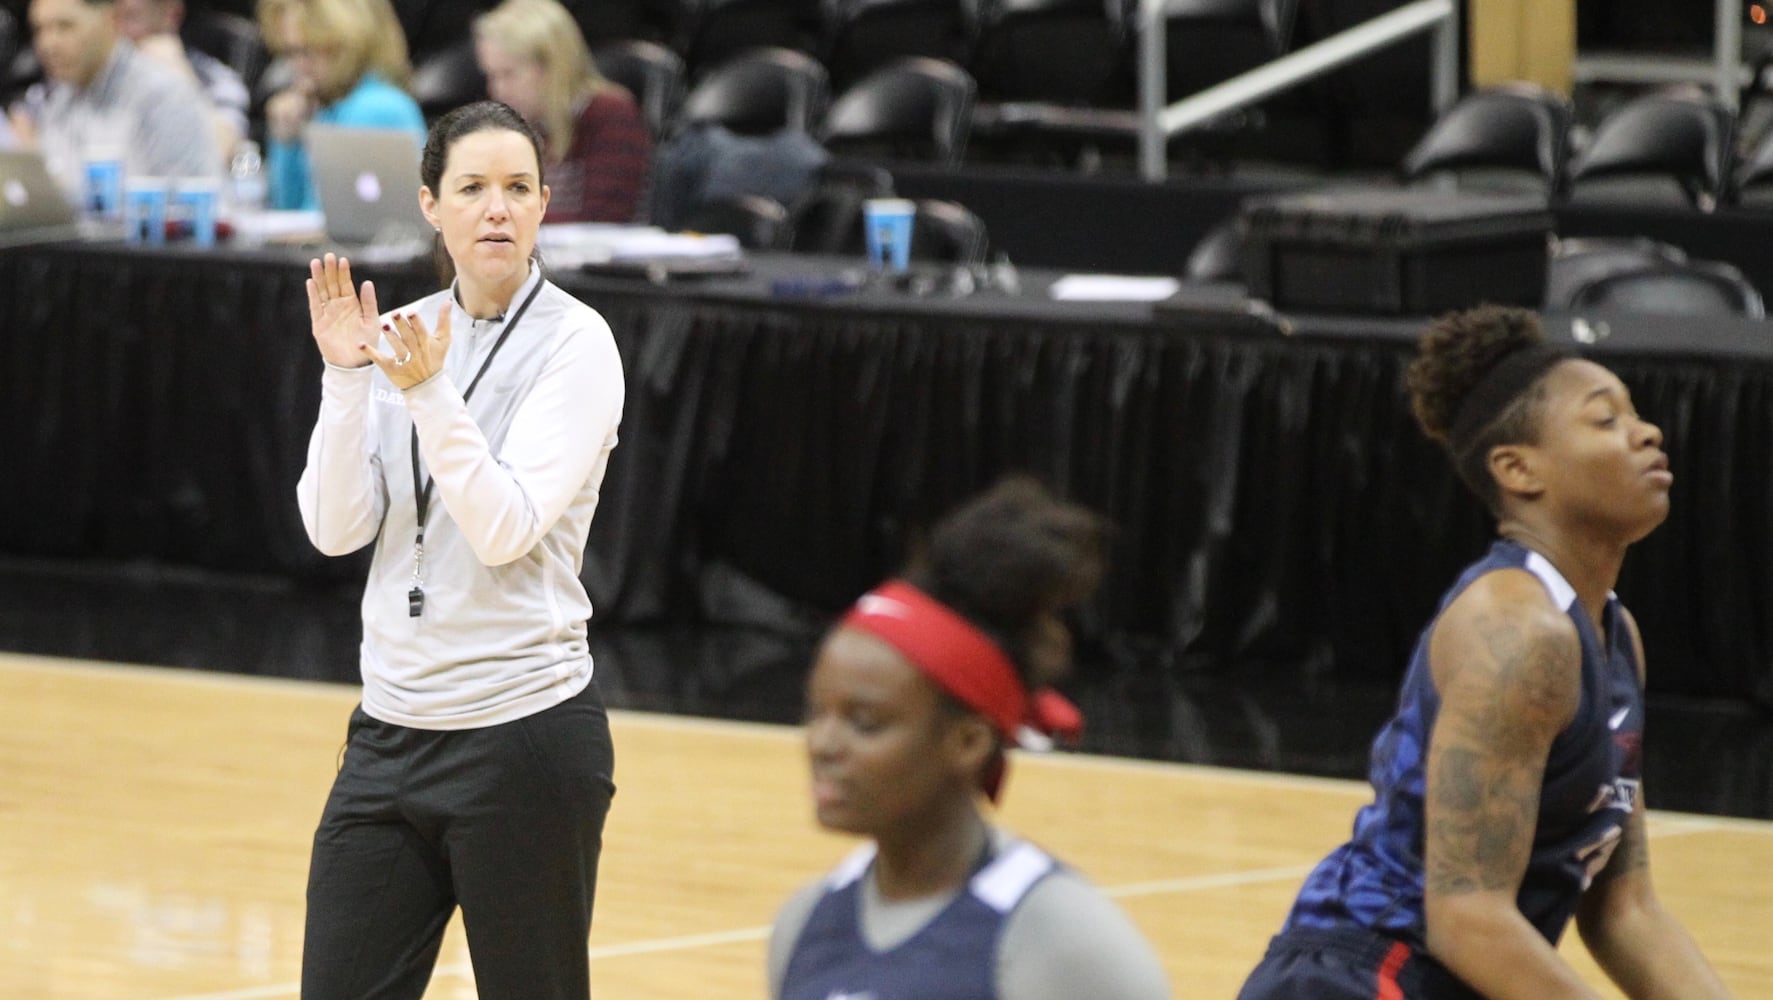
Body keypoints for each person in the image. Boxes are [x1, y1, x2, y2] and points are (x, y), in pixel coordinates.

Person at [1237, 305, 1733, 1000]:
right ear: (1517, 469)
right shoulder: (1518, 631)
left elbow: (1626, 911)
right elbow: (1466, 917)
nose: (1646, 431)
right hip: (1362, 975)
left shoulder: (1615, 639)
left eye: (1636, 416)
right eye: (1604, 420)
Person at [294, 100, 624, 998]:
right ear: (431, 205)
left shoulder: (577, 344)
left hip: (522, 738)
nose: (497, 209)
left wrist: (430, 395)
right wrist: (345, 378)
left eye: (518, 188)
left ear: (544, 206)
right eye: (473, 188)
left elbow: (505, 526)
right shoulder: (399, 335)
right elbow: (334, 529)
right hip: (389, 734)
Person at [769, 478, 1173, 1000]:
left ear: (967, 743)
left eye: (864, 723)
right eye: (816, 712)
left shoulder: (1063, 941)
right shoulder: (805, 924)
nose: (822, 744)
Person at [10, 0, 221, 200]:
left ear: (111, 19)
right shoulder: (59, 100)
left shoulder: (162, 96)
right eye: (39, 29)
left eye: (66, 26)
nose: (48, 44)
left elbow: (190, 211)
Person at [472, 0, 652, 224]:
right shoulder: (515, 129)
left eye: (508, 74)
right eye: (491, 76)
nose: (497, 89)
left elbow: (602, 220)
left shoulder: (611, 116)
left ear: (552, 68)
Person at [256, 0, 425, 210]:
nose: (299, 66)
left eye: (309, 51)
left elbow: (324, 218)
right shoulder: (324, 107)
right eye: (291, 53)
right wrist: (286, 141)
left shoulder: (375, 108)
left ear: (346, 45)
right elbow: (288, 210)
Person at [112, 0, 250, 159]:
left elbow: (218, 152)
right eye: (113, 18)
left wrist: (182, 79)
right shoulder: (91, 78)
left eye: (131, 17)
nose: (118, 31)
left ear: (172, 14)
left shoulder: (214, 80)